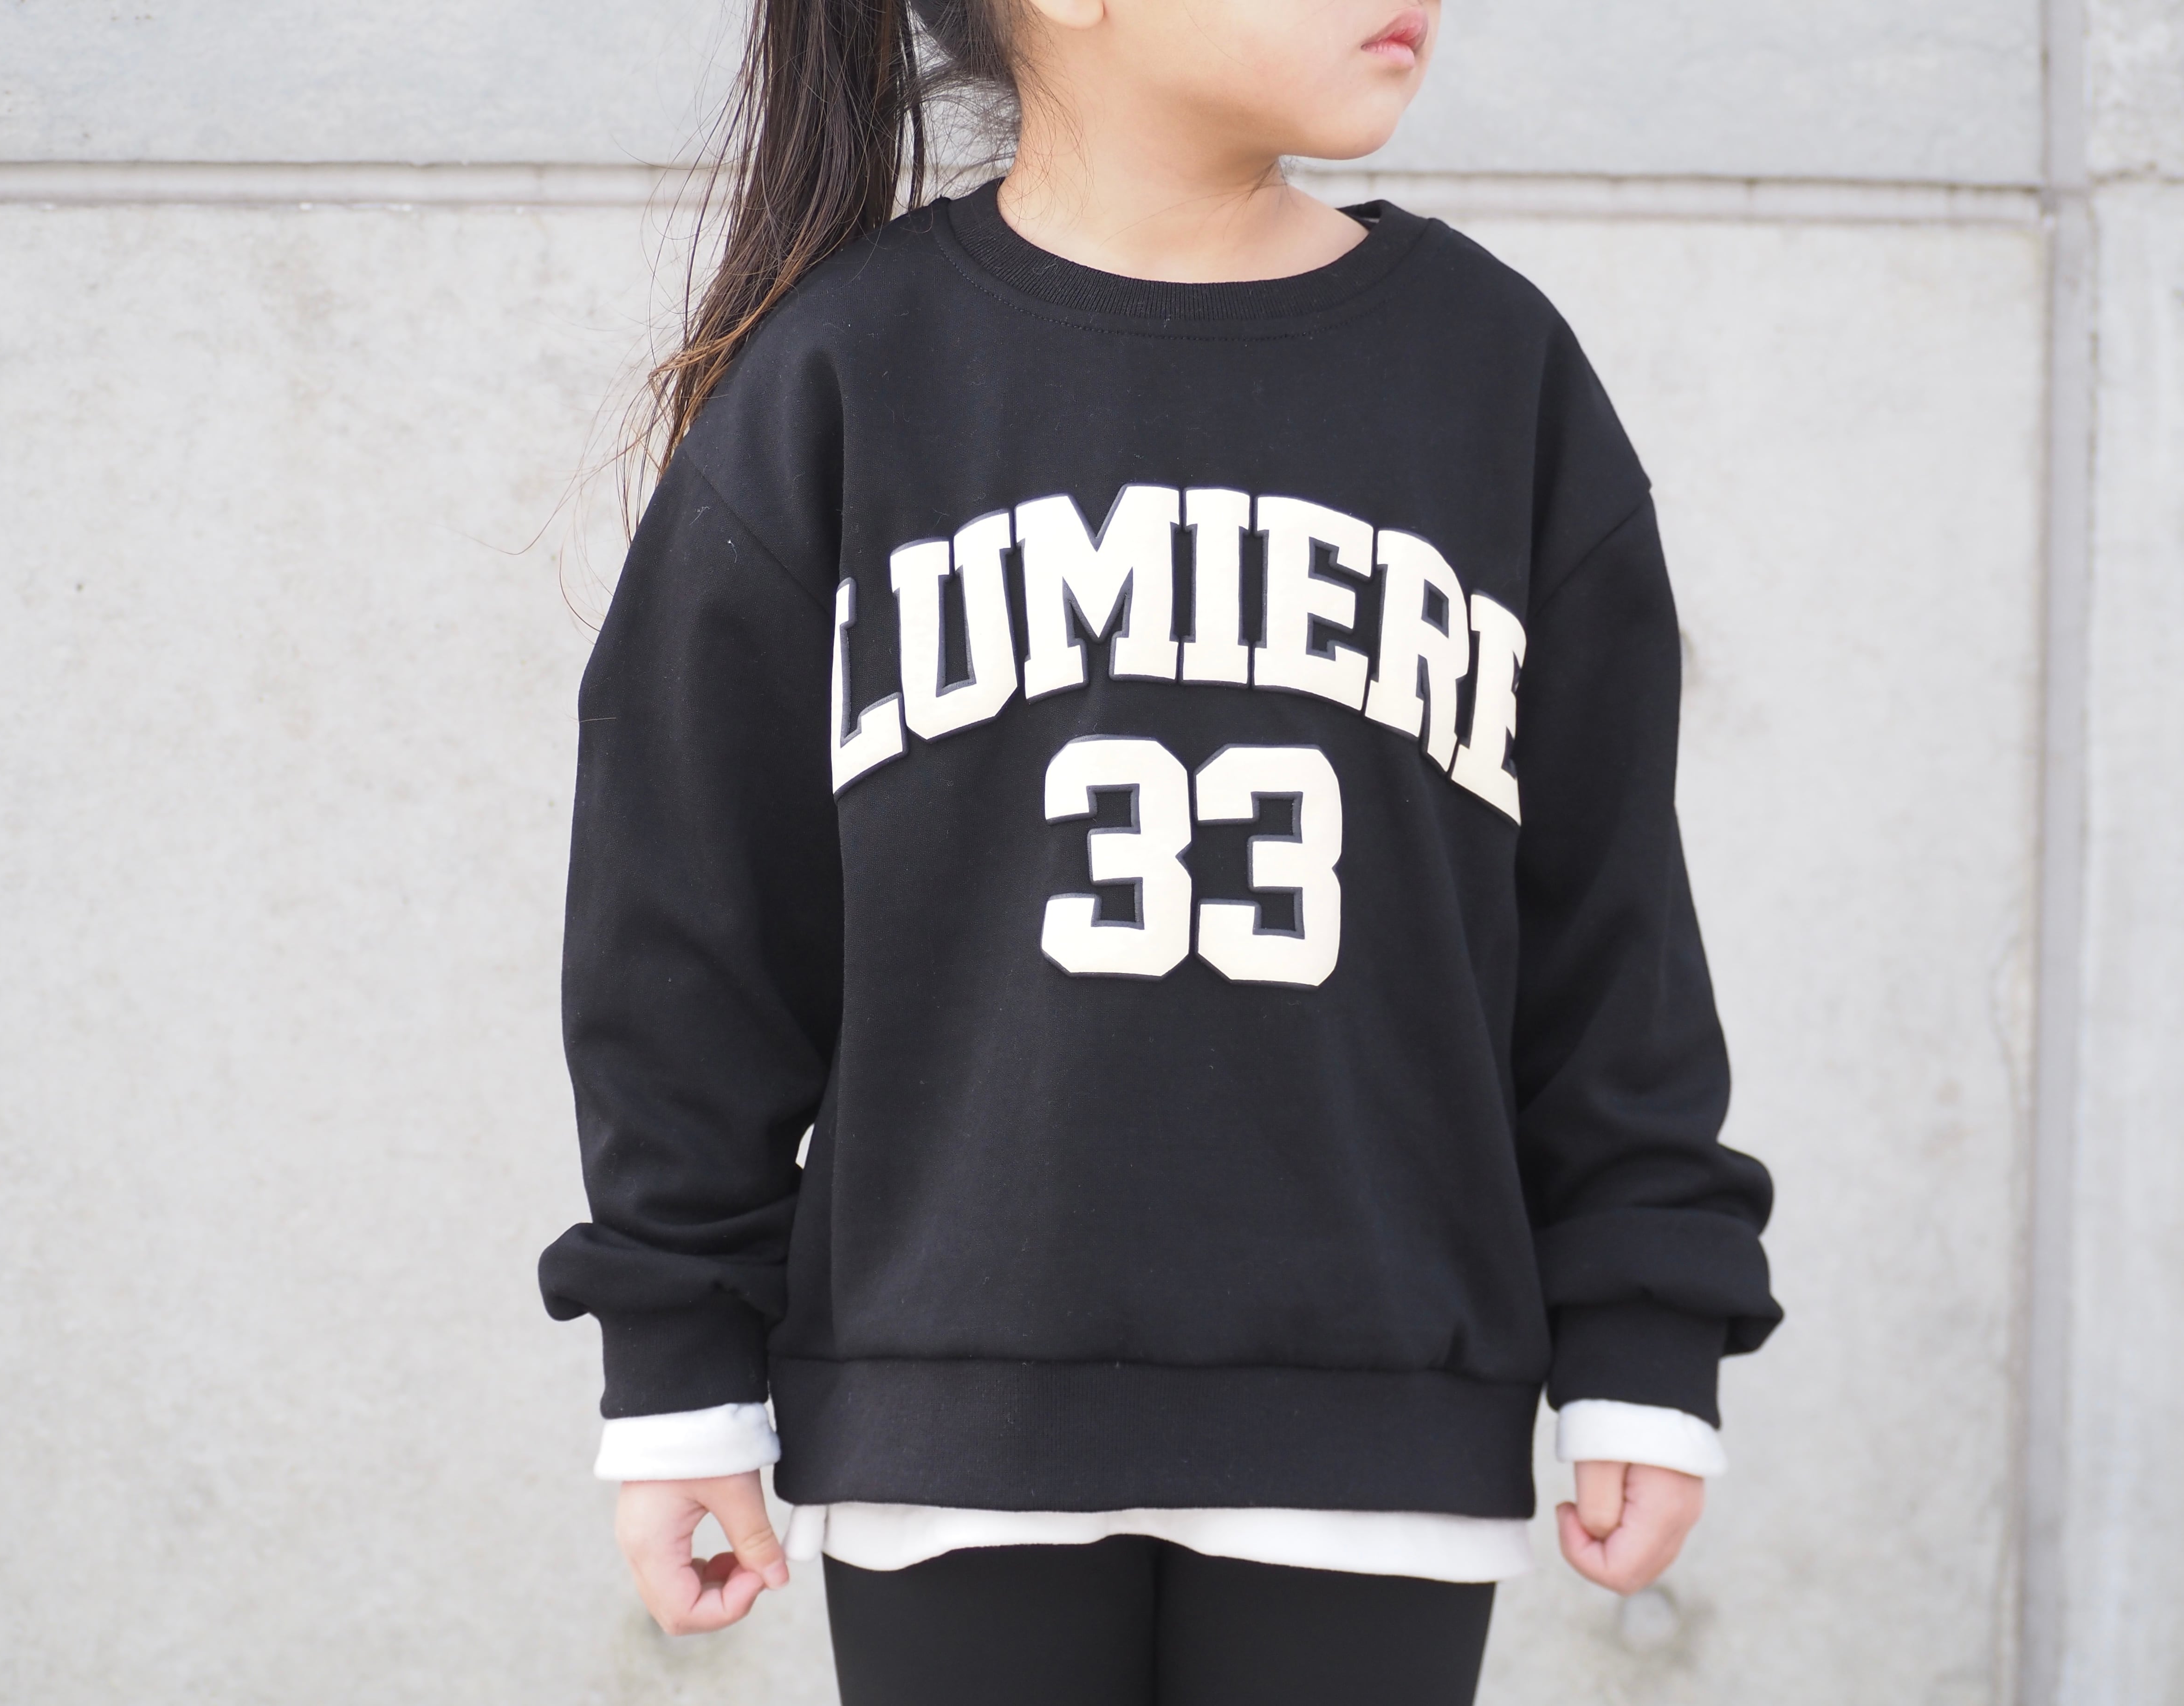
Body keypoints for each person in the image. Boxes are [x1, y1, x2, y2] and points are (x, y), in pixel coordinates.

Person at [538, 0, 1781, 1698]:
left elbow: (1605, 911)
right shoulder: (845, 374)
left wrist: (1645, 1318)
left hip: (1378, 1414)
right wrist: (680, 1358)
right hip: (953, 1416)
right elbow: (689, 922)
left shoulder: (1495, 371)